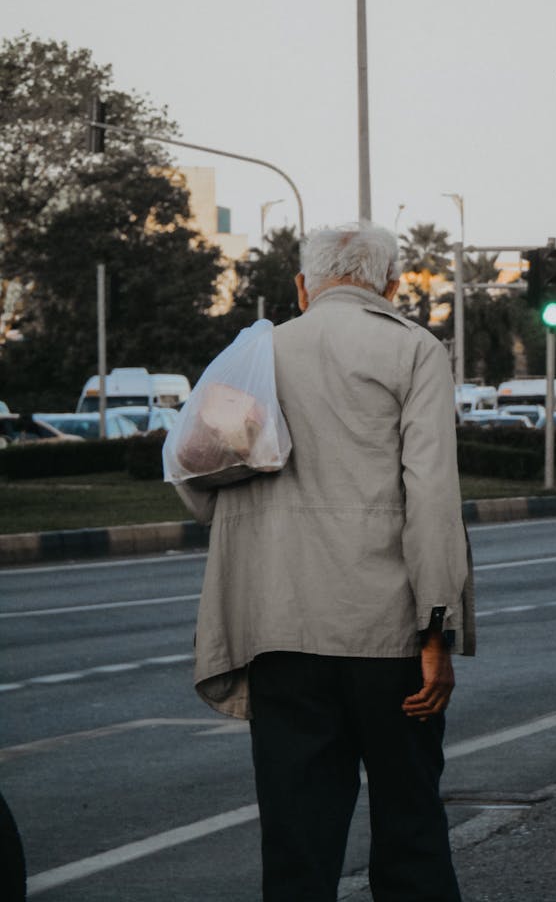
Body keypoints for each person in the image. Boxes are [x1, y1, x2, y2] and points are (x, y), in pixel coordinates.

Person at [180, 222, 475, 902]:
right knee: (411, 834)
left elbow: (198, 485)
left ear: (302, 285)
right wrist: (437, 633)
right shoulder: (413, 350)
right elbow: (430, 497)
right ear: (393, 285)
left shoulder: (260, 354)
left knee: (298, 843)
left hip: (280, 634)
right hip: (388, 639)